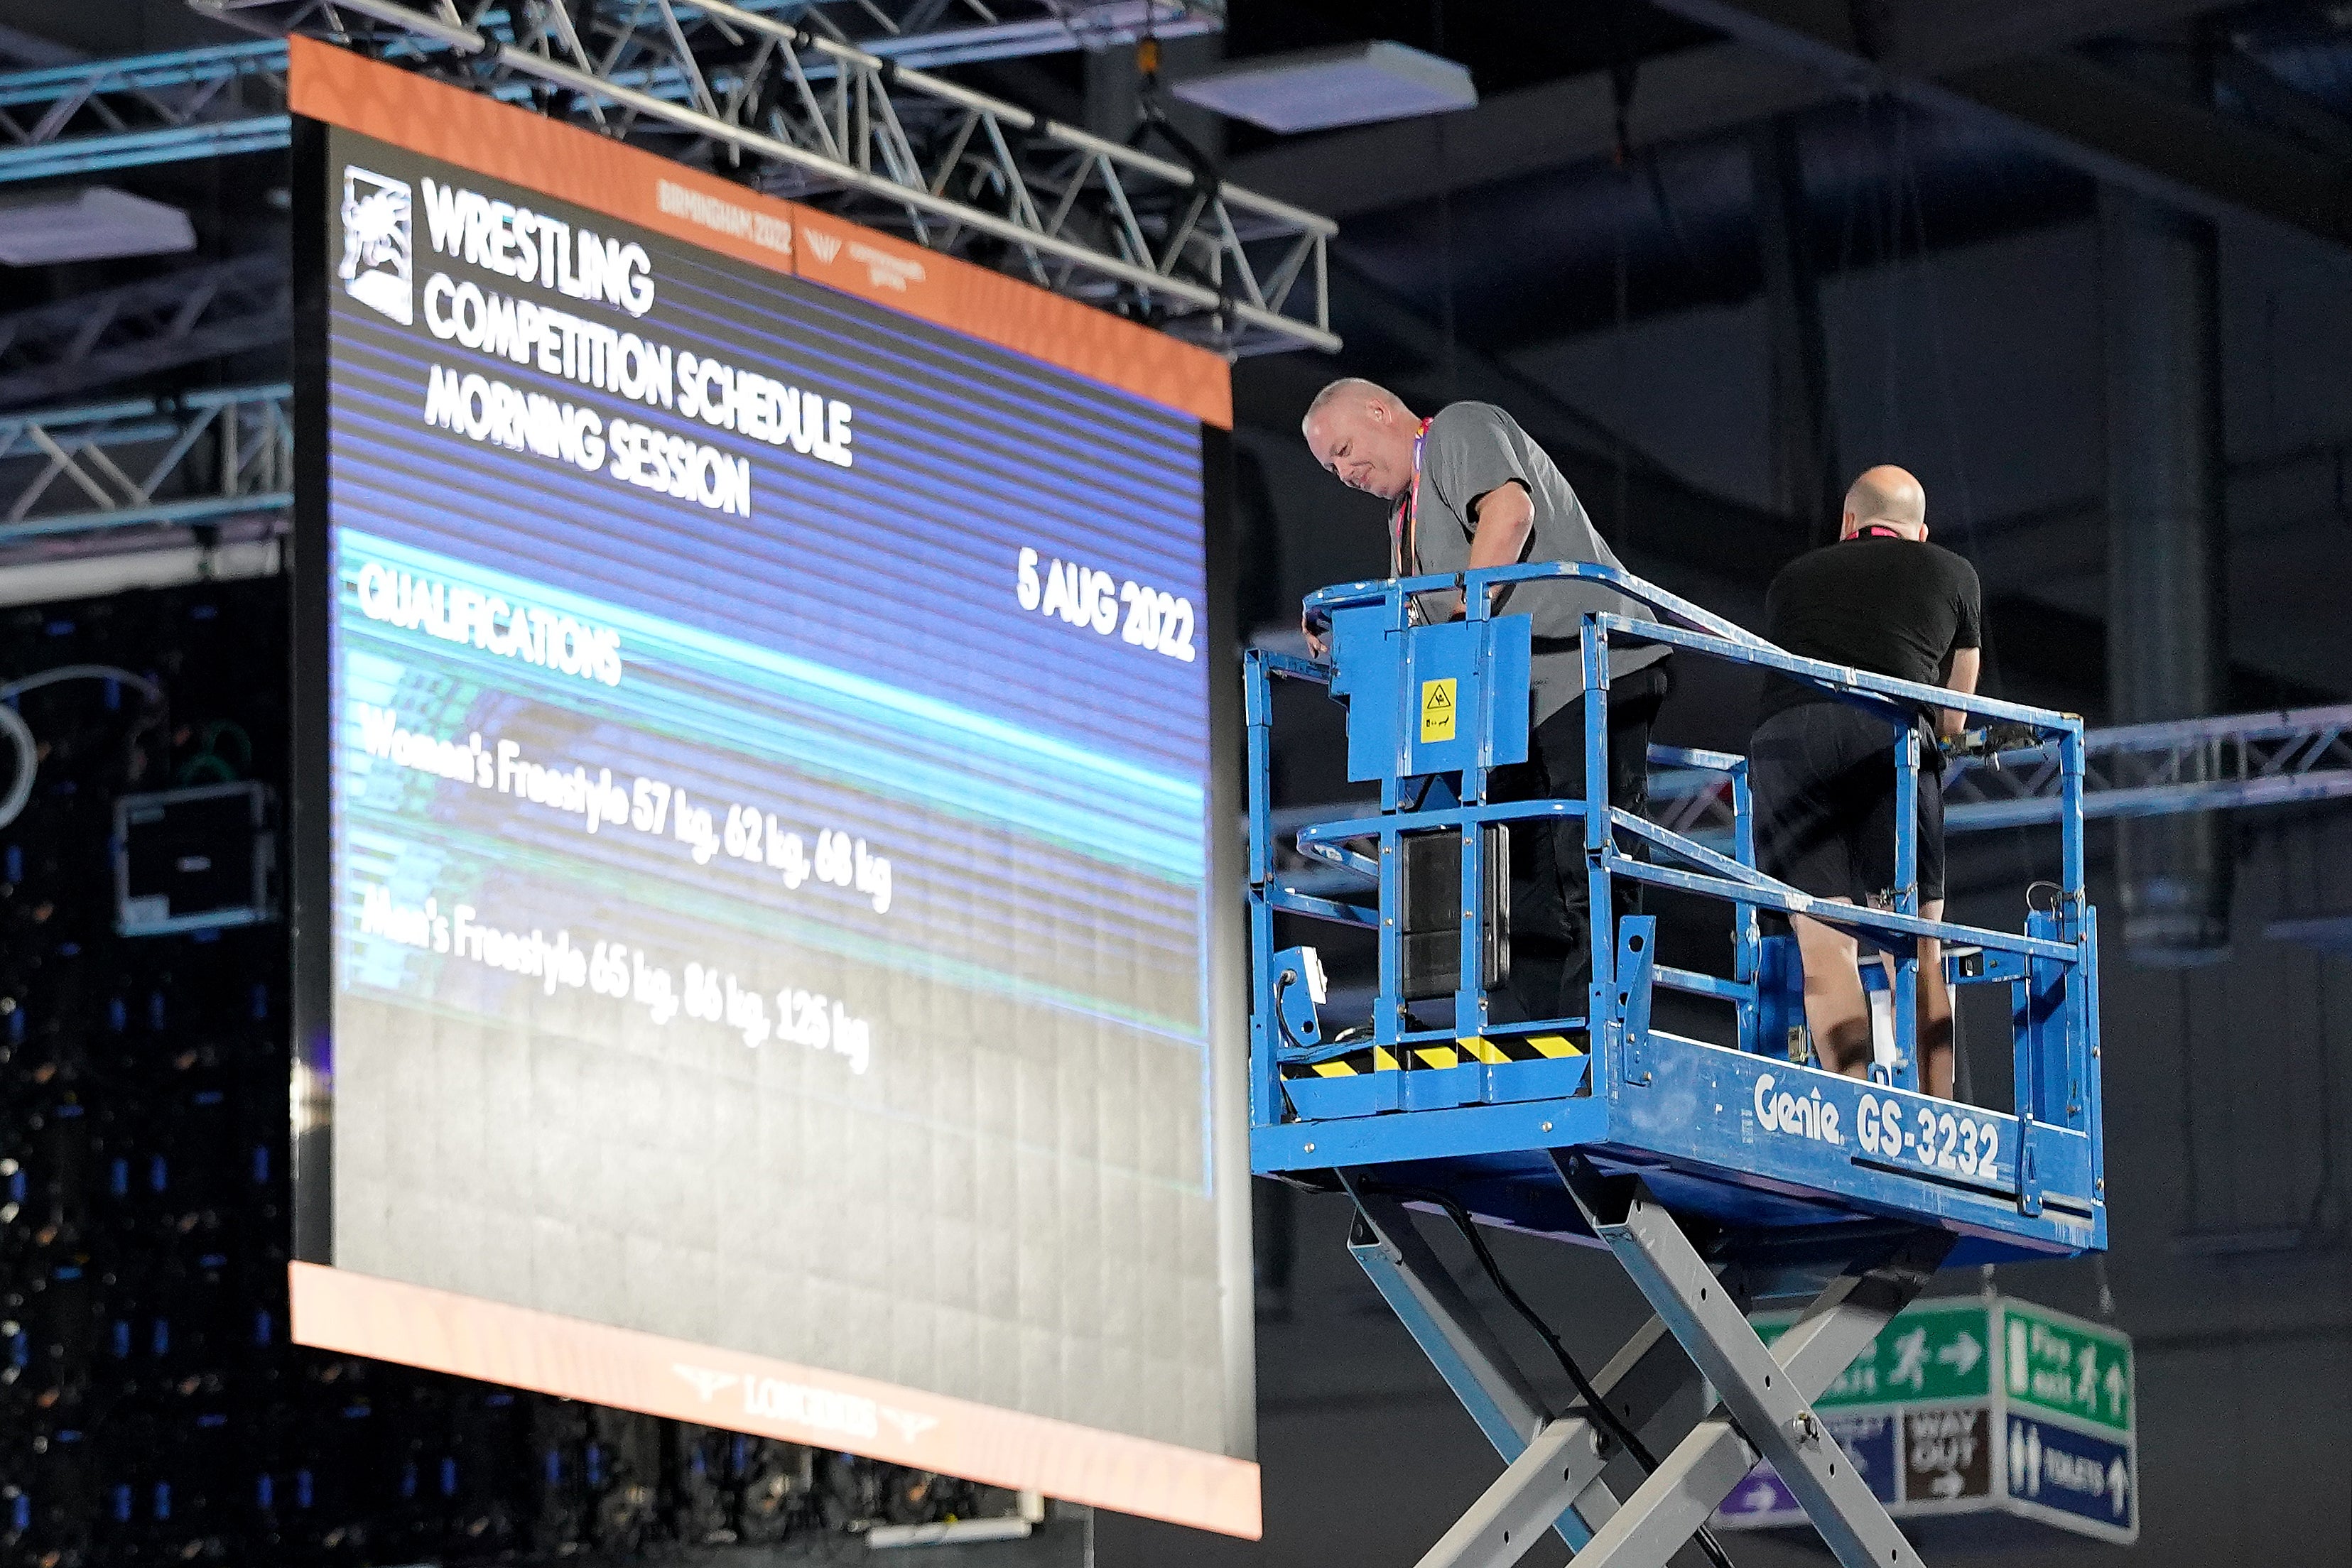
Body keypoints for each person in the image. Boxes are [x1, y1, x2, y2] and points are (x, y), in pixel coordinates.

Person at [1299, 379, 1671, 1024]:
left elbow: (1508, 514)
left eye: (1344, 450)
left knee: (1584, 858)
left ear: (1379, 411)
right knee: (1517, 885)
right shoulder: (1402, 519)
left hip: (1585, 672)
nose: (1343, 473)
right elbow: (1418, 623)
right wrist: (1344, 636)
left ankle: (1603, 1029)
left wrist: (1461, 614)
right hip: (1509, 707)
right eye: (1329, 468)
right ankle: (1537, 1034)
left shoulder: (1454, 430)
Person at [1750, 465, 1981, 1099]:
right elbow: (1952, 720)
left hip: (1784, 741)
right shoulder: (1952, 572)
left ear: (1847, 524)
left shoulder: (1791, 578)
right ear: (1920, 531)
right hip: (1886, 738)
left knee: (1824, 948)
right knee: (1919, 945)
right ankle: (1936, 1115)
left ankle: (1849, 1105)